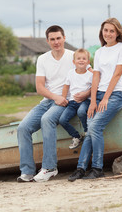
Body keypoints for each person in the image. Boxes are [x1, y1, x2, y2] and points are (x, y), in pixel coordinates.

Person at [16, 25, 89, 183]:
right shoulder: (42, 59)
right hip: (48, 100)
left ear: (64, 38)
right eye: (52, 39)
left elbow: (91, 75)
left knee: (47, 119)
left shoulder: (73, 56)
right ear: (48, 41)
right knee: (23, 128)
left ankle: (49, 168)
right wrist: (54, 97)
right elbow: (39, 87)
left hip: (66, 101)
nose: (56, 42)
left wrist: (85, 95)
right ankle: (27, 171)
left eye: (58, 38)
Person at [68, 18, 122, 181]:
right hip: (98, 96)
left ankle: (97, 168)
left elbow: (117, 75)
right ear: (101, 32)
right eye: (106, 30)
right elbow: (96, 76)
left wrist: (105, 99)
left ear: (117, 32)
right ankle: (81, 169)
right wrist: (94, 100)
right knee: (90, 131)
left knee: (94, 127)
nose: (108, 34)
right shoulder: (99, 52)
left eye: (112, 31)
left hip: (115, 95)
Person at [59, 48, 93, 150]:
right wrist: (63, 98)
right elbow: (66, 86)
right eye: (78, 58)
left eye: (84, 58)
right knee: (62, 120)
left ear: (88, 62)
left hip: (85, 101)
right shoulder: (71, 73)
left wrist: (86, 95)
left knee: (81, 112)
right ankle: (76, 136)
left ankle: (87, 132)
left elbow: (94, 88)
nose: (81, 60)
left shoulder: (91, 75)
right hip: (72, 102)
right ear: (74, 62)